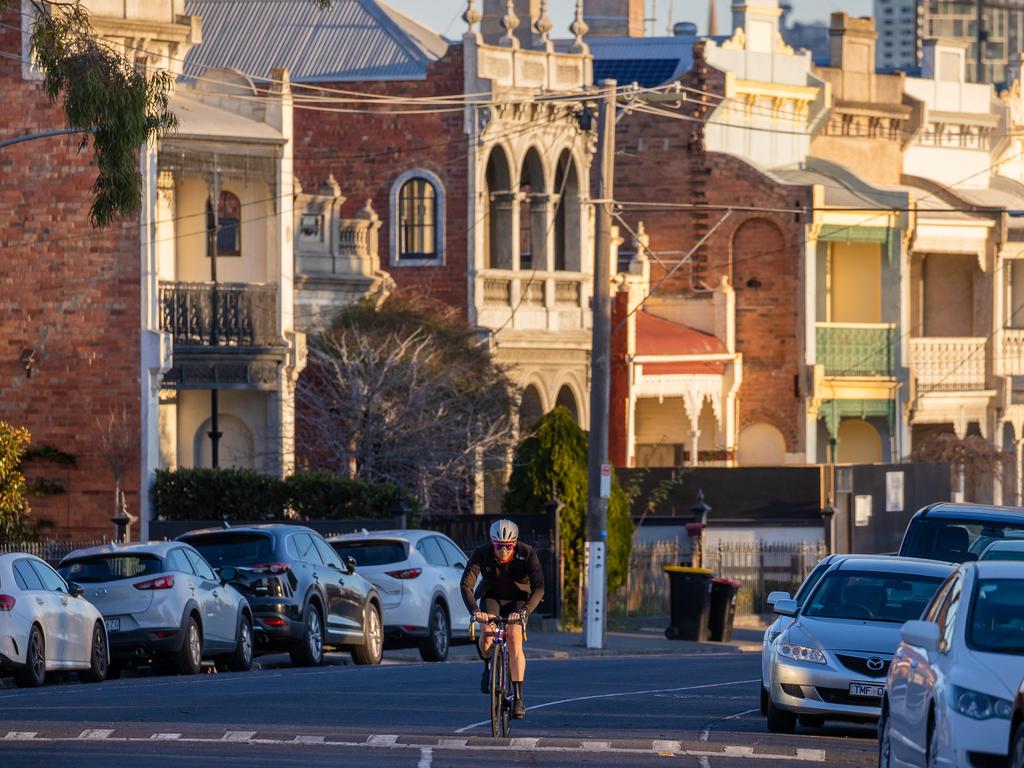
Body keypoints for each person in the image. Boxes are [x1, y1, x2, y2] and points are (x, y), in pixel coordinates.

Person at [460, 518, 544, 720]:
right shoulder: (481, 553)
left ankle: (518, 697)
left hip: (518, 600)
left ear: (514, 543)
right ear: (492, 543)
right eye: (499, 546)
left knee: (514, 638)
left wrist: (524, 612)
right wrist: (474, 610)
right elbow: (466, 584)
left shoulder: (527, 553)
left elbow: (539, 587)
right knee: (487, 635)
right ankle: (488, 666)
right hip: (492, 596)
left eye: (507, 546)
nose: (503, 551)